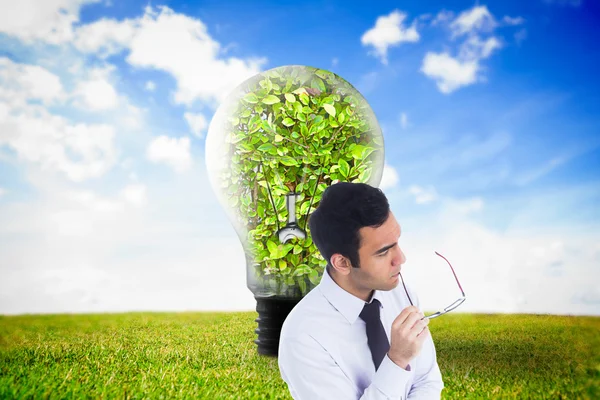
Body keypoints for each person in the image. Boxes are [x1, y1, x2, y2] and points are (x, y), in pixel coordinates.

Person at [278, 182, 444, 399]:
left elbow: (426, 381)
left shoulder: (401, 293)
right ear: (342, 263)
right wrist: (396, 360)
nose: (401, 259)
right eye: (383, 252)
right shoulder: (303, 337)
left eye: (397, 242)